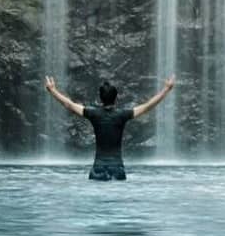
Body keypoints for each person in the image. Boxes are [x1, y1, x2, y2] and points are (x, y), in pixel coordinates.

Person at [44, 74, 176, 181]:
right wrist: (167, 89)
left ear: (100, 98)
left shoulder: (94, 114)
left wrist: (52, 90)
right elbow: (148, 106)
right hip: (117, 168)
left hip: (98, 168)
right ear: (116, 98)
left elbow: (69, 105)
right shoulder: (122, 115)